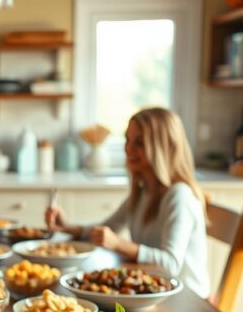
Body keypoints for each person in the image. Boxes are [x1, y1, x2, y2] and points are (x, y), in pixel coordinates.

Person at [45, 108, 209, 298]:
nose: (128, 148)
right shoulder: (143, 190)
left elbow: (171, 264)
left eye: (139, 142)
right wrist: (67, 227)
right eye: (127, 140)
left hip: (188, 301)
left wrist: (118, 244)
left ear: (163, 147)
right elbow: (109, 227)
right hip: (155, 293)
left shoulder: (179, 196)